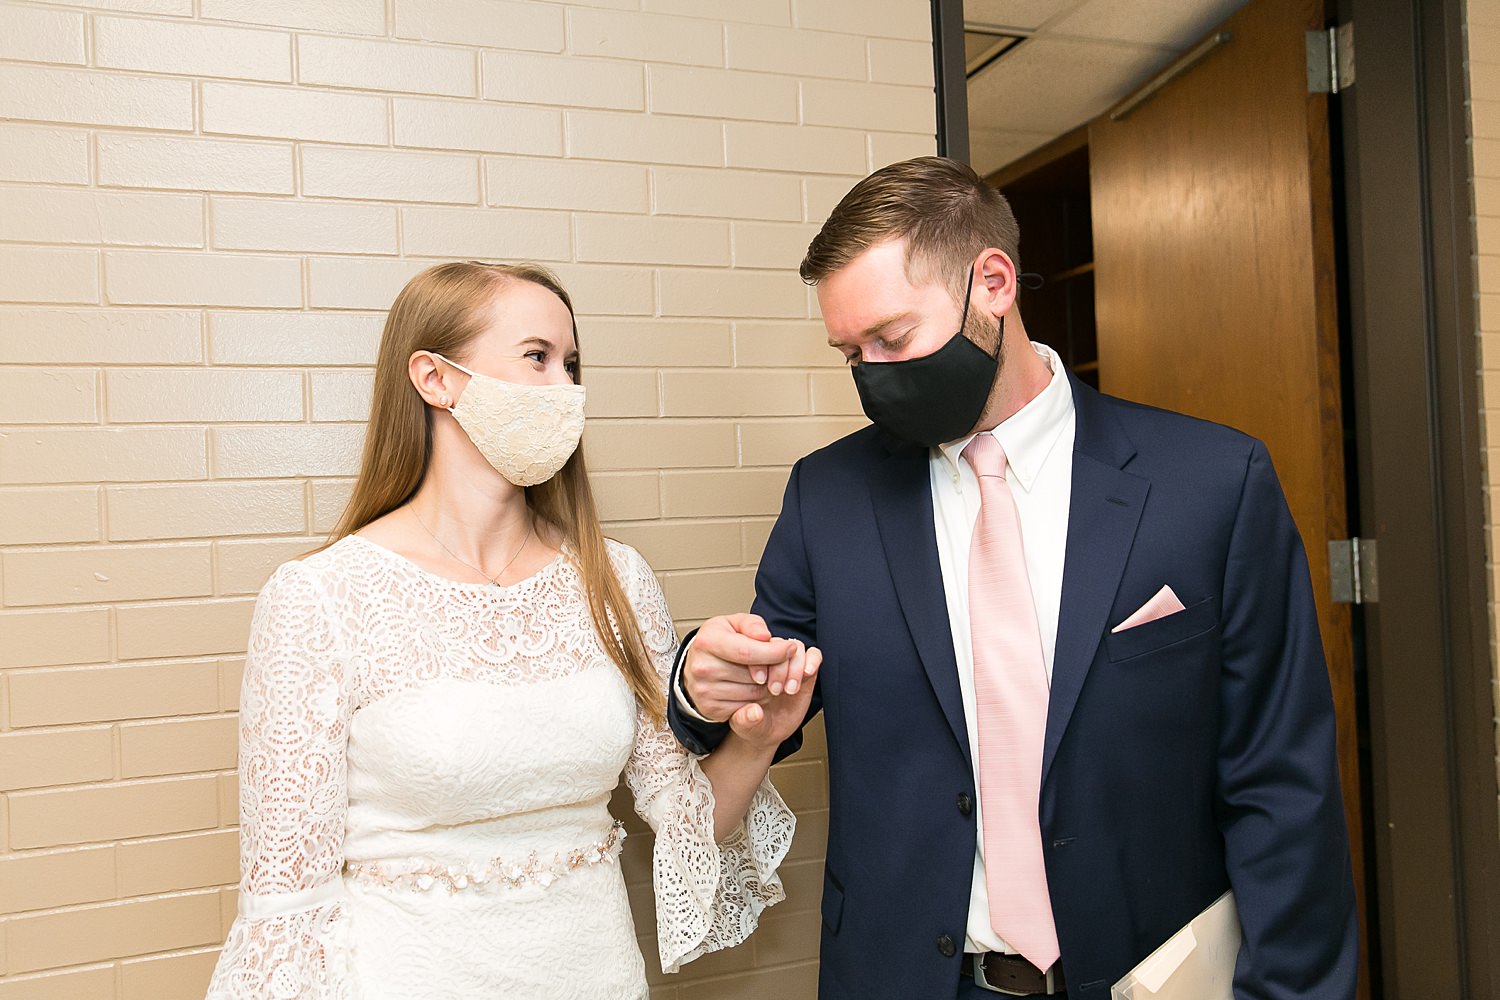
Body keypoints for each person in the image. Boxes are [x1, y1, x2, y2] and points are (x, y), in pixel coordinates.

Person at [668, 157, 1358, 999]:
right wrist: (703, 682)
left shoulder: (1212, 481)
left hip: (1144, 974)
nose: (873, 375)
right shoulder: (830, 496)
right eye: (850, 354)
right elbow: (760, 686)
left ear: (992, 282)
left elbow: (1281, 782)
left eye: (892, 338)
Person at [205, 261, 816, 999]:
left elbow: (685, 819)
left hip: (596, 977)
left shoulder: (615, 579)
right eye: (537, 358)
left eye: (573, 363)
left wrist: (756, 737)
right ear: (436, 379)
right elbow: (286, 902)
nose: (567, 390)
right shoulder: (321, 597)